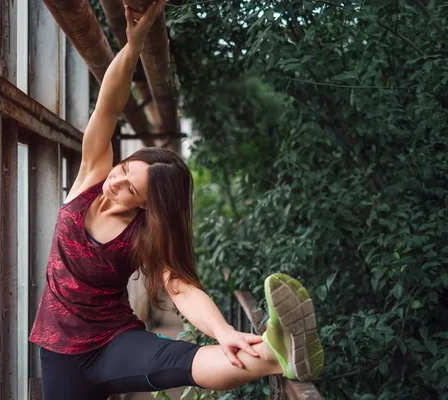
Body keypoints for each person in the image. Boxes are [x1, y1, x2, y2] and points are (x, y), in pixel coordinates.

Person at [29, 1, 324, 398]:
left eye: (130, 188)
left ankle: (275, 353)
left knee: (183, 361)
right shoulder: (90, 179)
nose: (115, 182)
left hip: (116, 344)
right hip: (58, 351)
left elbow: (180, 286)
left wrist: (222, 331)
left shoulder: (143, 233)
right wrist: (132, 45)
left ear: (148, 205)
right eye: (124, 170)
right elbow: (107, 107)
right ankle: (273, 351)